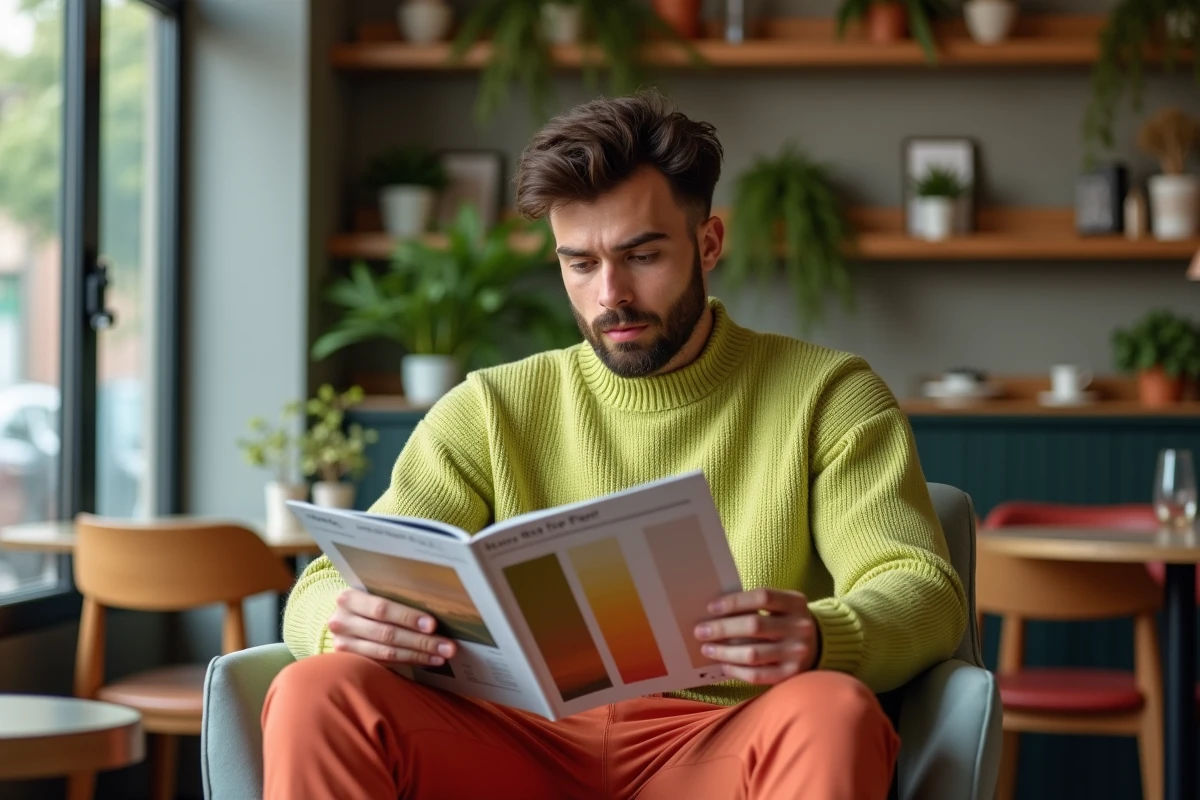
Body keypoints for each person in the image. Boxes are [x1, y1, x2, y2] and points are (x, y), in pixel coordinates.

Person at [263, 90, 967, 800]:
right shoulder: (489, 409)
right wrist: (342, 622)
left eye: (642, 255)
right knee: (316, 690)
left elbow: (922, 589)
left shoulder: (829, 397)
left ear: (709, 243)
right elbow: (324, 583)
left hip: (720, 741)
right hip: (516, 744)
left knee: (832, 711)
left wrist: (820, 636)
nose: (611, 295)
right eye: (580, 264)